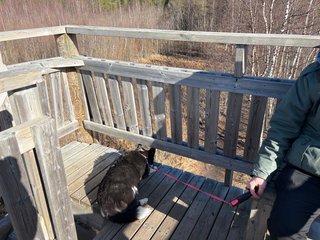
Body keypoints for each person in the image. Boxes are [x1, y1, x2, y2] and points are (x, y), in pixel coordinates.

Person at [246, 53, 320, 240]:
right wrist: (262, 172)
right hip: (309, 167)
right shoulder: (314, 78)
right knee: (284, 228)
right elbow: (284, 127)